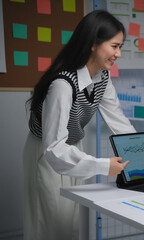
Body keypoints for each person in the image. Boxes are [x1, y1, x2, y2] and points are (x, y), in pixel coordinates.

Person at [23, 10, 136, 240]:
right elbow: (54, 148)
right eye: (114, 46)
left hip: (73, 147)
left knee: (70, 225)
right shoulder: (63, 84)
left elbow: (119, 122)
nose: (119, 54)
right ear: (94, 44)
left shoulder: (102, 77)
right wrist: (104, 166)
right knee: (50, 226)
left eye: (120, 47)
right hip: (46, 154)